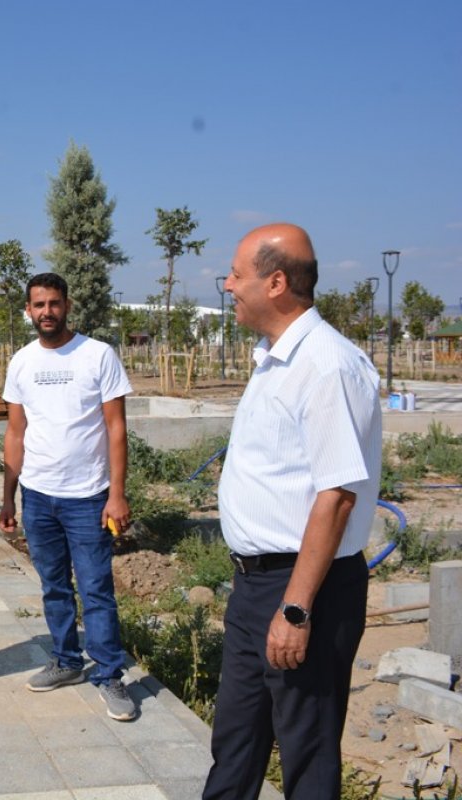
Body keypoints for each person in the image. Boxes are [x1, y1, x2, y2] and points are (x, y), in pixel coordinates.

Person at [202, 224, 381, 800]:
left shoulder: (326, 365)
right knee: (236, 741)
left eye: (236, 274)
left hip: (305, 588)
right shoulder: (275, 359)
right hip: (256, 586)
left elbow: (337, 495)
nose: (229, 285)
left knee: (307, 753)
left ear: (276, 283)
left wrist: (296, 609)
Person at [0, 272, 137, 721]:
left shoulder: (97, 355)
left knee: (96, 588)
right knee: (54, 586)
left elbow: (116, 428)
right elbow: (15, 432)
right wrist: (8, 497)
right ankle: (66, 660)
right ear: (28, 310)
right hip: (38, 495)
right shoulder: (21, 362)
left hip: (88, 497)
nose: (47, 312)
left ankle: (109, 674)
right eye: (38, 305)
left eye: (54, 303)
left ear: (67, 306)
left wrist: (117, 495)